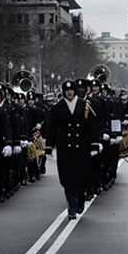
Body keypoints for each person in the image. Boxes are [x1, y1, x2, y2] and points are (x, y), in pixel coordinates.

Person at [47, 80, 96, 220]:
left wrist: (94, 144)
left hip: (81, 147)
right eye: (66, 90)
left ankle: (80, 199)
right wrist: (49, 147)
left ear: (75, 91)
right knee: (67, 178)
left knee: (81, 177)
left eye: (71, 90)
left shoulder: (84, 105)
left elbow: (91, 126)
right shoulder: (57, 107)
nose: (69, 92)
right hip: (65, 148)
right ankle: (71, 206)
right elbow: (51, 128)